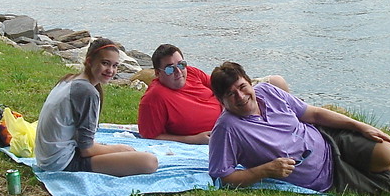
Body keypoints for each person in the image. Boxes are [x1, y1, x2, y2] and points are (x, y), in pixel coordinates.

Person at [207, 61, 390, 195]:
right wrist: (266, 171)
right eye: (230, 94)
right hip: (326, 176)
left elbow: (312, 113)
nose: (241, 96)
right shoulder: (226, 129)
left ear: (249, 82)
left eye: (242, 87)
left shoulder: (267, 91)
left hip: (327, 139)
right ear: (221, 100)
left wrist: (360, 126)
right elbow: (224, 177)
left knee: (388, 152)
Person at [35, 38, 158, 176]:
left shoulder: (69, 79)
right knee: (149, 162)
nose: (110, 70)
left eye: (115, 65)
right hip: (60, 163)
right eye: (105, 63)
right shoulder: (86, 91)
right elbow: (86, 150)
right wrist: (120, 148)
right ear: (89, 61)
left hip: (46, 158)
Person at [138, 43, 289, 144]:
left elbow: (223, 86)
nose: (179, 72)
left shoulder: (191, 73)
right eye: (170, 69)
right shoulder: (154, 98)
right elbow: (150, 137)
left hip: (233, 105)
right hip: (231, 126)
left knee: (276, 82)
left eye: (181, 64)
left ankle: (293, 120)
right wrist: (193, 139)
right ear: (158, 73)